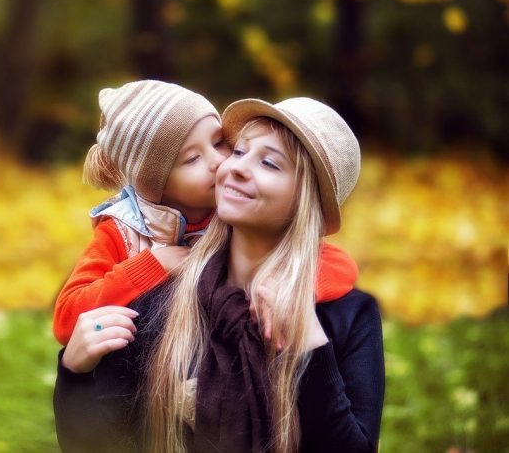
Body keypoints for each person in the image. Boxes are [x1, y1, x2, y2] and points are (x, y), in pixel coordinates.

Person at [54, 97, 385, 453]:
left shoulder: (346, 315)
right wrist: (74, 375)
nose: (233, 167)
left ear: (309, 200)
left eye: (270, 164)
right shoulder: (159, 297)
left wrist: (308, 340)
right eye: (239, 151)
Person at [53, 81, 359, 346]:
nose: (219, 162)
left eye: (219, 143)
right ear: (155, 184)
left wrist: (288, 287)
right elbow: (67, 317)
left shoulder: (233, 212)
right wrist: (151, 266)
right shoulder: (121, 232)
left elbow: (337, 264)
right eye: (192, 159)